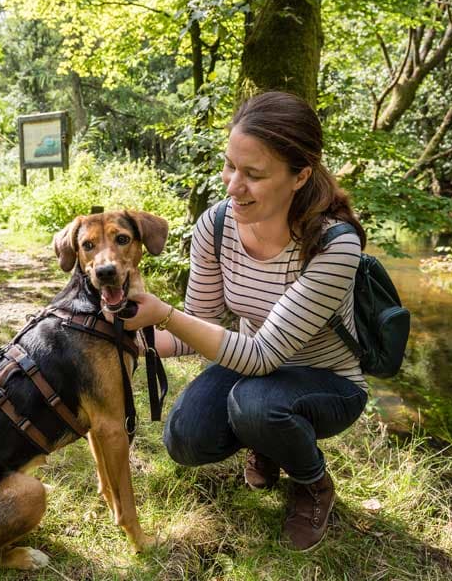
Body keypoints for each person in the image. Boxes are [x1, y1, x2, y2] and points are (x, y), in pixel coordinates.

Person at [118, 91, 368, 551]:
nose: (233, 185)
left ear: (301, 176)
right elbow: (200, 324)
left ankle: (313, 483)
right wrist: (135, 339)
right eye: (230, 165)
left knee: (254, 404)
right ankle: (269, 440)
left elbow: (261, 354)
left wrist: (166, 315)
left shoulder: (336, 245)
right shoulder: (215, 227)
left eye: (254, 174)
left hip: (328, 382)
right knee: (185, 439)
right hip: (254, 370)